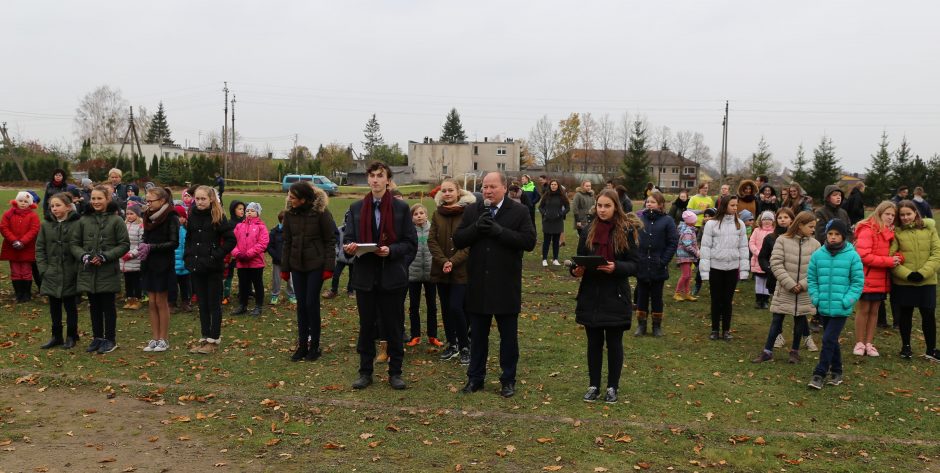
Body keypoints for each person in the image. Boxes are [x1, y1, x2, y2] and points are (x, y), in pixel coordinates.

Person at [454, 171, 536, 398]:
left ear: (504, 187)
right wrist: (476, 227)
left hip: (505, 285)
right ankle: (475, 378)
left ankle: (508, 380)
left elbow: (529, 242)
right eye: (484, 187)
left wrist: (500, 232)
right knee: (478, 336)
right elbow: (458, 240)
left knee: (508, 338)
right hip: (478, 284)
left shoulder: (518, 211)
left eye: (492, 187)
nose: (487, 191)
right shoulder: (473, 210)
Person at [343, 161, 417, 390]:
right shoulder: (356, 208)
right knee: (366, 327)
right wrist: (350, 248)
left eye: (380, 175)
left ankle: (395, 372)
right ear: (368, 179)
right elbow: (347, 239)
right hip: (365, 278)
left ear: (388, 180)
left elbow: (410, 243)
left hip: (392, 277)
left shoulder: (401, 209)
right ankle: (365, 372)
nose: (375, 180)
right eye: (372, 176)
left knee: (394, 326)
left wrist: (391, 251)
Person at [571, 189, 640, 403]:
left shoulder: (626, 230)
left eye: (607, 206)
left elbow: (635, 264)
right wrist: (576, 270)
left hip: (616, 295)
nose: (602, 210)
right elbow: (578, 260)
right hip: (591, 294)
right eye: (599, 205)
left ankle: (612, 387)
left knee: (614, 342)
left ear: (615, 207)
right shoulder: (588, 230)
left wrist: (616, 267)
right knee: (593, 343)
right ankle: (593, 385)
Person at [752, 211, 820, 363]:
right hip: (784, 288)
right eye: (810, 226)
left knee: (800, 320)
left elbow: (817, 269)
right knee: (777, 319)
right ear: (800, 225)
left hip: (803, 291)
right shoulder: (782, 240)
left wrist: (802, 284)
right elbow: (775, 263)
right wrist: (789, 283)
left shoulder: (815, 244)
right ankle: (767, 351)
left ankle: (794, 352)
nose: (813, 230)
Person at [70, 185, 130, 354]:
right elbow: (74, 244)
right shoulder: (83, 220)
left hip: (107, 271)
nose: (96, 202)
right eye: (93, 198)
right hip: (88, 270)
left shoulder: (116, 220)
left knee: (108, 306)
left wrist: (105, 256)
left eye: (99, 198)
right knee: (93, 305)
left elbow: (124, 245)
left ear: (107, 199)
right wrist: (84, 256)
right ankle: (97, 337)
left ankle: (110, 339)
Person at [282, 182, 336, 362]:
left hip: (316, 265)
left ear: (303, 199)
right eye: (289, 196)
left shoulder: (321, 214)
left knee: (311, 304)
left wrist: (329, 267)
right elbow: (287, 241)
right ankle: (302, 345)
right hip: (297, 266)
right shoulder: (289, 215)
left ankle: (314, 346)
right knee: (301, 306)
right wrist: (285, 268)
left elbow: (330, 240)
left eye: (293, 197)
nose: (289, 199)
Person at [807, 219, 864, 389]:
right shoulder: (818, 255)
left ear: (843, 236)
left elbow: (857, 282)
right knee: (831, 339)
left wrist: (846, 300)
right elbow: (812, 279)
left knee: (828, 338)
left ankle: (819, 373)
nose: (832, 237)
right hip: (823, 306)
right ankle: (837, 371)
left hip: (841, 308)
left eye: (837, 234)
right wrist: (816, 298)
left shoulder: (852, 256)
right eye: (830, 234)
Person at [428, 178, 475, 365]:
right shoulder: (437, 214)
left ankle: (465, 345)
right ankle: (452, 344)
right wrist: (443, 261)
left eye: (450, 190)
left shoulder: (468, 213)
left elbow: (470, 242)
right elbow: (431, 240)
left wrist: (453, 262)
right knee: (447, 309)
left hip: (461, 270)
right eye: (444, 190)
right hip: (441, 270)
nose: (447, 193)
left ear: (458, 192)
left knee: (457, 307)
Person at [184, 186, 236, 354]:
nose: (199, 202)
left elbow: (231, 240)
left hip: (213, 267)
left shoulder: (218, 217)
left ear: (211, 199)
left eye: (203, 199)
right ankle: (205, 337)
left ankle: (214, 338)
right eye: (197, 199)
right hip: (196, 266)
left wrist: (216, 255)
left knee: (214, 304)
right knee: (202, 303)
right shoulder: (192, 215)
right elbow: (189, 238)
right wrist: (188, 256)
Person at [890, 200, 940, 361]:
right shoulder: (896, 233)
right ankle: (905, 347)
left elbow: (936, 253)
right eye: (902, 215)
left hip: (927, 281)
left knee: (928, 314)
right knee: (905, 314)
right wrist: (907, 274)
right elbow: (890, 258)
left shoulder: (929, 229)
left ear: (915, 213)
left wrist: (923, 273)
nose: (905, 217)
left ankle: (931, 349)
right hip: (904, 282)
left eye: (908, 214)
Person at [851, 201, 898, 357]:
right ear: (879, 213)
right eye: (887, 214)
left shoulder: (890, 232)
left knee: (875, 312)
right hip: (867, 276)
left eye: (893, 215)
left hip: (882, 279)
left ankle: (869, 343)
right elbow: (863, 255)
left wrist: (898, 258)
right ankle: (859, 342)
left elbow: (895, 251)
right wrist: (889, 262)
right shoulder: (868, 229)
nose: (890, 217)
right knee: (863, 310)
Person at [700, 195, 749, 341]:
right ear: (724, 206)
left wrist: (744, 270)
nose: (735, 208)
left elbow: (744, 247)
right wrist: (704, 271)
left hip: (732, 268)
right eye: (732, 205)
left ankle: (726, 330)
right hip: (716, 267)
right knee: (716, 299)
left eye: (736, 205)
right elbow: (705, 247)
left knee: (728, 300)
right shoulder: (711, 224)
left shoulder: (740, 224)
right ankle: (715, 329)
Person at [36, 192, 81, 349]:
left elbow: (81, 248)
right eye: (52, 206)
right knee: (54, 306)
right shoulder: (46, 225)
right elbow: (40, 248)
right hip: (51, 273)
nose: (54, 209)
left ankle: (71, 335)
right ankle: (56, 336)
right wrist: (43, 270)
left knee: (70, 306)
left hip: (70, 273)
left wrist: (76, 270)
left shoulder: (77, 224)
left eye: (58, 205)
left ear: (68, 207)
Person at [141, 187, 180, 353]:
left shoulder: (171, 216)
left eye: (151, 201)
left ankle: (164, 339)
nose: (148, 204)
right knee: (151, 302)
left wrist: (151, 247)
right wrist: (142, 246)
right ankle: (155, 338)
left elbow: (174, 242)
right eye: (147, 201)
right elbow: (146, 236)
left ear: (162, 201)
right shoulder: (147, 216)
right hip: (149, 263)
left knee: (161, 301)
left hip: (164, 263)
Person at [634, 191, 678, 337]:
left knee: (657, 297)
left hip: (658, 265)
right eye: (648, 201)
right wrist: (636, 257)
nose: (649, 204)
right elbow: (631, 237)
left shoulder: (668, 220)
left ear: (660, 204)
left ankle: (656, 325)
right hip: (642, 264)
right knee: (641, 296)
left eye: (652, 202)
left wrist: (663, 260)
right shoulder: (639, 218)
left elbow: (672, 242)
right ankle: (641, 325)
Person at [757, 208, 796, 349]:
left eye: (786, 217)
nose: (783, 220)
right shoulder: (770, 238)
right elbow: (762, 257)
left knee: (798, 311)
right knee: (778, 311)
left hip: (794, 278)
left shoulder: (797, 237)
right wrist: (769, 269)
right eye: (780, 217)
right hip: (775, 279)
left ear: (792, 219)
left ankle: (805, 336)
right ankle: (778, 335)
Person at [406, 203, 439, 347]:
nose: (419, 216)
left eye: (421, 213)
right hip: (413, 273)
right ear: (411, 217)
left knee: (432, 305)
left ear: (426, 215)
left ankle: (433, 335)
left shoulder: (433, 229)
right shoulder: (409, 232)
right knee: (414, 306)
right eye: (415, 214)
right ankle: (415, 335)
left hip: (431, 273)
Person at [1, 191, 40, 302]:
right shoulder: (8, 214)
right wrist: (13, 240)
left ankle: (26, 293)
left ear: (30, 203)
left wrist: (23, 241)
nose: (23, 203)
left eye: (26, 202)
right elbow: (4, 227)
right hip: (12, 246)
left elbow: (34, 229)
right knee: (15, 270)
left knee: (26, 271)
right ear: (16, 201)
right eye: (21, 201)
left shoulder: (33, 216)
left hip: (27, 247)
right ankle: (18, 293)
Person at [231, 202, 268, 316]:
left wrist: (249, 254)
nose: (249, 213)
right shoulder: (239, 226)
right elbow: (232, 241)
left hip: (255, 262)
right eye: (247, 211)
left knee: (257, 284)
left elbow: (262, 243)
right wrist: (237, 253)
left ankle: (258, 306)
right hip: (241, 261)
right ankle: (243, 305)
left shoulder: (261, 227)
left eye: (252, 210)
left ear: (257, 213)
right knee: (243, 284)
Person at [323, 209, 354, 299]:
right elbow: (335, 242)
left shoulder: (357, 231)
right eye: (347, 219)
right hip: (341, 257)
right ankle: (334, 290)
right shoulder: (340, 230)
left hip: (353, 258)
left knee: (352, 276)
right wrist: (337, 253)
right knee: (336, 274)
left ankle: (350, 291)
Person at [267, 210, 296, 305]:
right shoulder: (274, 232)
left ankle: (292, 295)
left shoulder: (292, 232)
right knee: (276, 279)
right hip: (277, 261)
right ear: (281, 220)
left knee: (290, 279)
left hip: (290, 261)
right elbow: (269, 246)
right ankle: (274, 295)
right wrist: (276, 256)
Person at [749, 211, 776, 309]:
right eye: (764, 219)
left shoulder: (774, 232)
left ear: (773, 221)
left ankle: (765, 300)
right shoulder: (756, 230)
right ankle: (758, 300)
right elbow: (751, 243)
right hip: (757, 260)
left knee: (767, 280)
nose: (767, 221)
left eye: (769, 219)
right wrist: (758, 253)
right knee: (759, 280)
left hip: (769, 260)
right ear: (761, 220)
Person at [539, 179, 569, 266]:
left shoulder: (562, 196)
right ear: (550, 186)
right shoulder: (546, 195)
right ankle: (544, 259)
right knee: (546, 241)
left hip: (558, 221)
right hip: (547, 221)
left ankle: (555, 259)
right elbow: (540, 207)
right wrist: (544, 213)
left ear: (558, 186)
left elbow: (567, 207)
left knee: (556, 241)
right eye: (552, 184)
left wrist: (561, 213)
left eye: (555, 184)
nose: (553, 186)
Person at [120, 205, 144, 310]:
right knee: (127, 280)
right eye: (127, 214)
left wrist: (131, 254)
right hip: (124, 259)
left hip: (134, 259)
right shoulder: (124, 225)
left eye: (131, 214)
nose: (129, 216)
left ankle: (137, 299)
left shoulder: (140, 226)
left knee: (136, 280)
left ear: (137, 215)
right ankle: (129, 299)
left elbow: (141, 244)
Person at [222, 200, 246, 305]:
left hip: (243, 253)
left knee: (243, 274)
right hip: (231, 254)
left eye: (243, 209)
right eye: (239, 209)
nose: (242, 211)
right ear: (233, 210)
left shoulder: (246, 222)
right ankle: (226, 295)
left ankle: (244, 292)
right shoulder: (229, 224)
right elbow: (227, 240)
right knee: (229, 275)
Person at [169, 205, 192, 313]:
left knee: (185, 286)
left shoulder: (187, 230)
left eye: (182, 217)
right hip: (173, 264)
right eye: (178, 217)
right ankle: (171, 303)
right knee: (172, 286)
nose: (180, 219)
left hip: (185, 263)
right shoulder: (171, 230)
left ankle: (185, 302)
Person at [674, 210, 700, 302]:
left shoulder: (690, 229)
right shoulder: (688, 231)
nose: (696, 221)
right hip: (684, 256)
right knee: (685, 275)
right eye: (695, 219)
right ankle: (677, 293)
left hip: (688, 256)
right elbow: (687, 245)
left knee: (688, 275)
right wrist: (696, 252)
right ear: (691, 221)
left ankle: (686, 294)